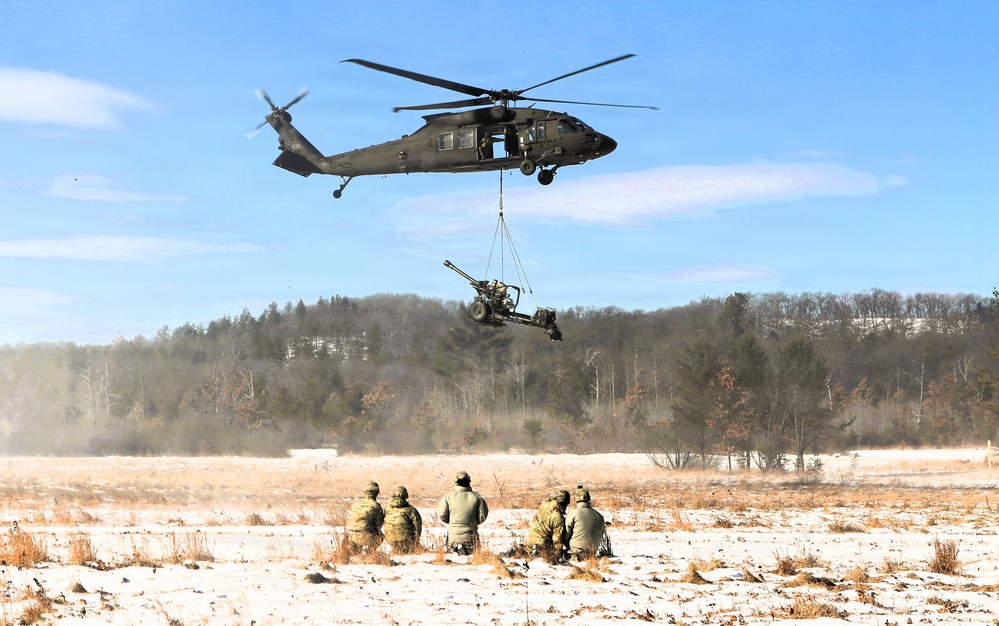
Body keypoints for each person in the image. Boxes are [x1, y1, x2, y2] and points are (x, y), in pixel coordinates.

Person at [436, 471, 489, 555]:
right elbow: (482, 516)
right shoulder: (477, 498)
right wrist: (473, 522)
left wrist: (453, 522)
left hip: (452, 538)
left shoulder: (448, 497)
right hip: (471, 538)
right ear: (469, 481)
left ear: (456, 482)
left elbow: (442, 515)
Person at [564, 486, 608, 559]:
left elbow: (566, 535)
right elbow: (602, 533)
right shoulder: (599, 515)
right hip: (592, 553)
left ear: (576, 498)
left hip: (576, 553)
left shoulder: (573, 513)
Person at [525, 489, 569, 560]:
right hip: (542, 545)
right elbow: (557, 539)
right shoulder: (558, 517)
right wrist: (559, 553)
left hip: (529, 542)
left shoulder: (543, 505)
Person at [346, 481, 385, 552]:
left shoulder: (356, 503)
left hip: (351, 536)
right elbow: (379, 524)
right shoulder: (375, 505)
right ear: (376, 493)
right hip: (366, 536)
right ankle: (370, 552)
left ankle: (354, 550)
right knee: (380, 536)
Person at [384, 485, 423, 554]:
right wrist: (416, 539)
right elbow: (417, 524)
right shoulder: (410, 510)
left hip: (389, 539)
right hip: (406, 539)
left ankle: (397, 549)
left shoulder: (387, 509)